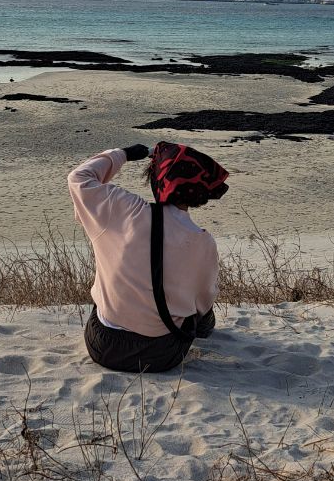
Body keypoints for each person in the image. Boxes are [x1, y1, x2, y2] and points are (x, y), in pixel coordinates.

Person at [68, 140, 229, 373]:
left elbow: (78, 177)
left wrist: (123, 153)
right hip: (162, 354)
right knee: (201, 312)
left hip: (104, 346)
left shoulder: (122, 210)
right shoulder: (203, 241)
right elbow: (202, 304)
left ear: (156, 180)